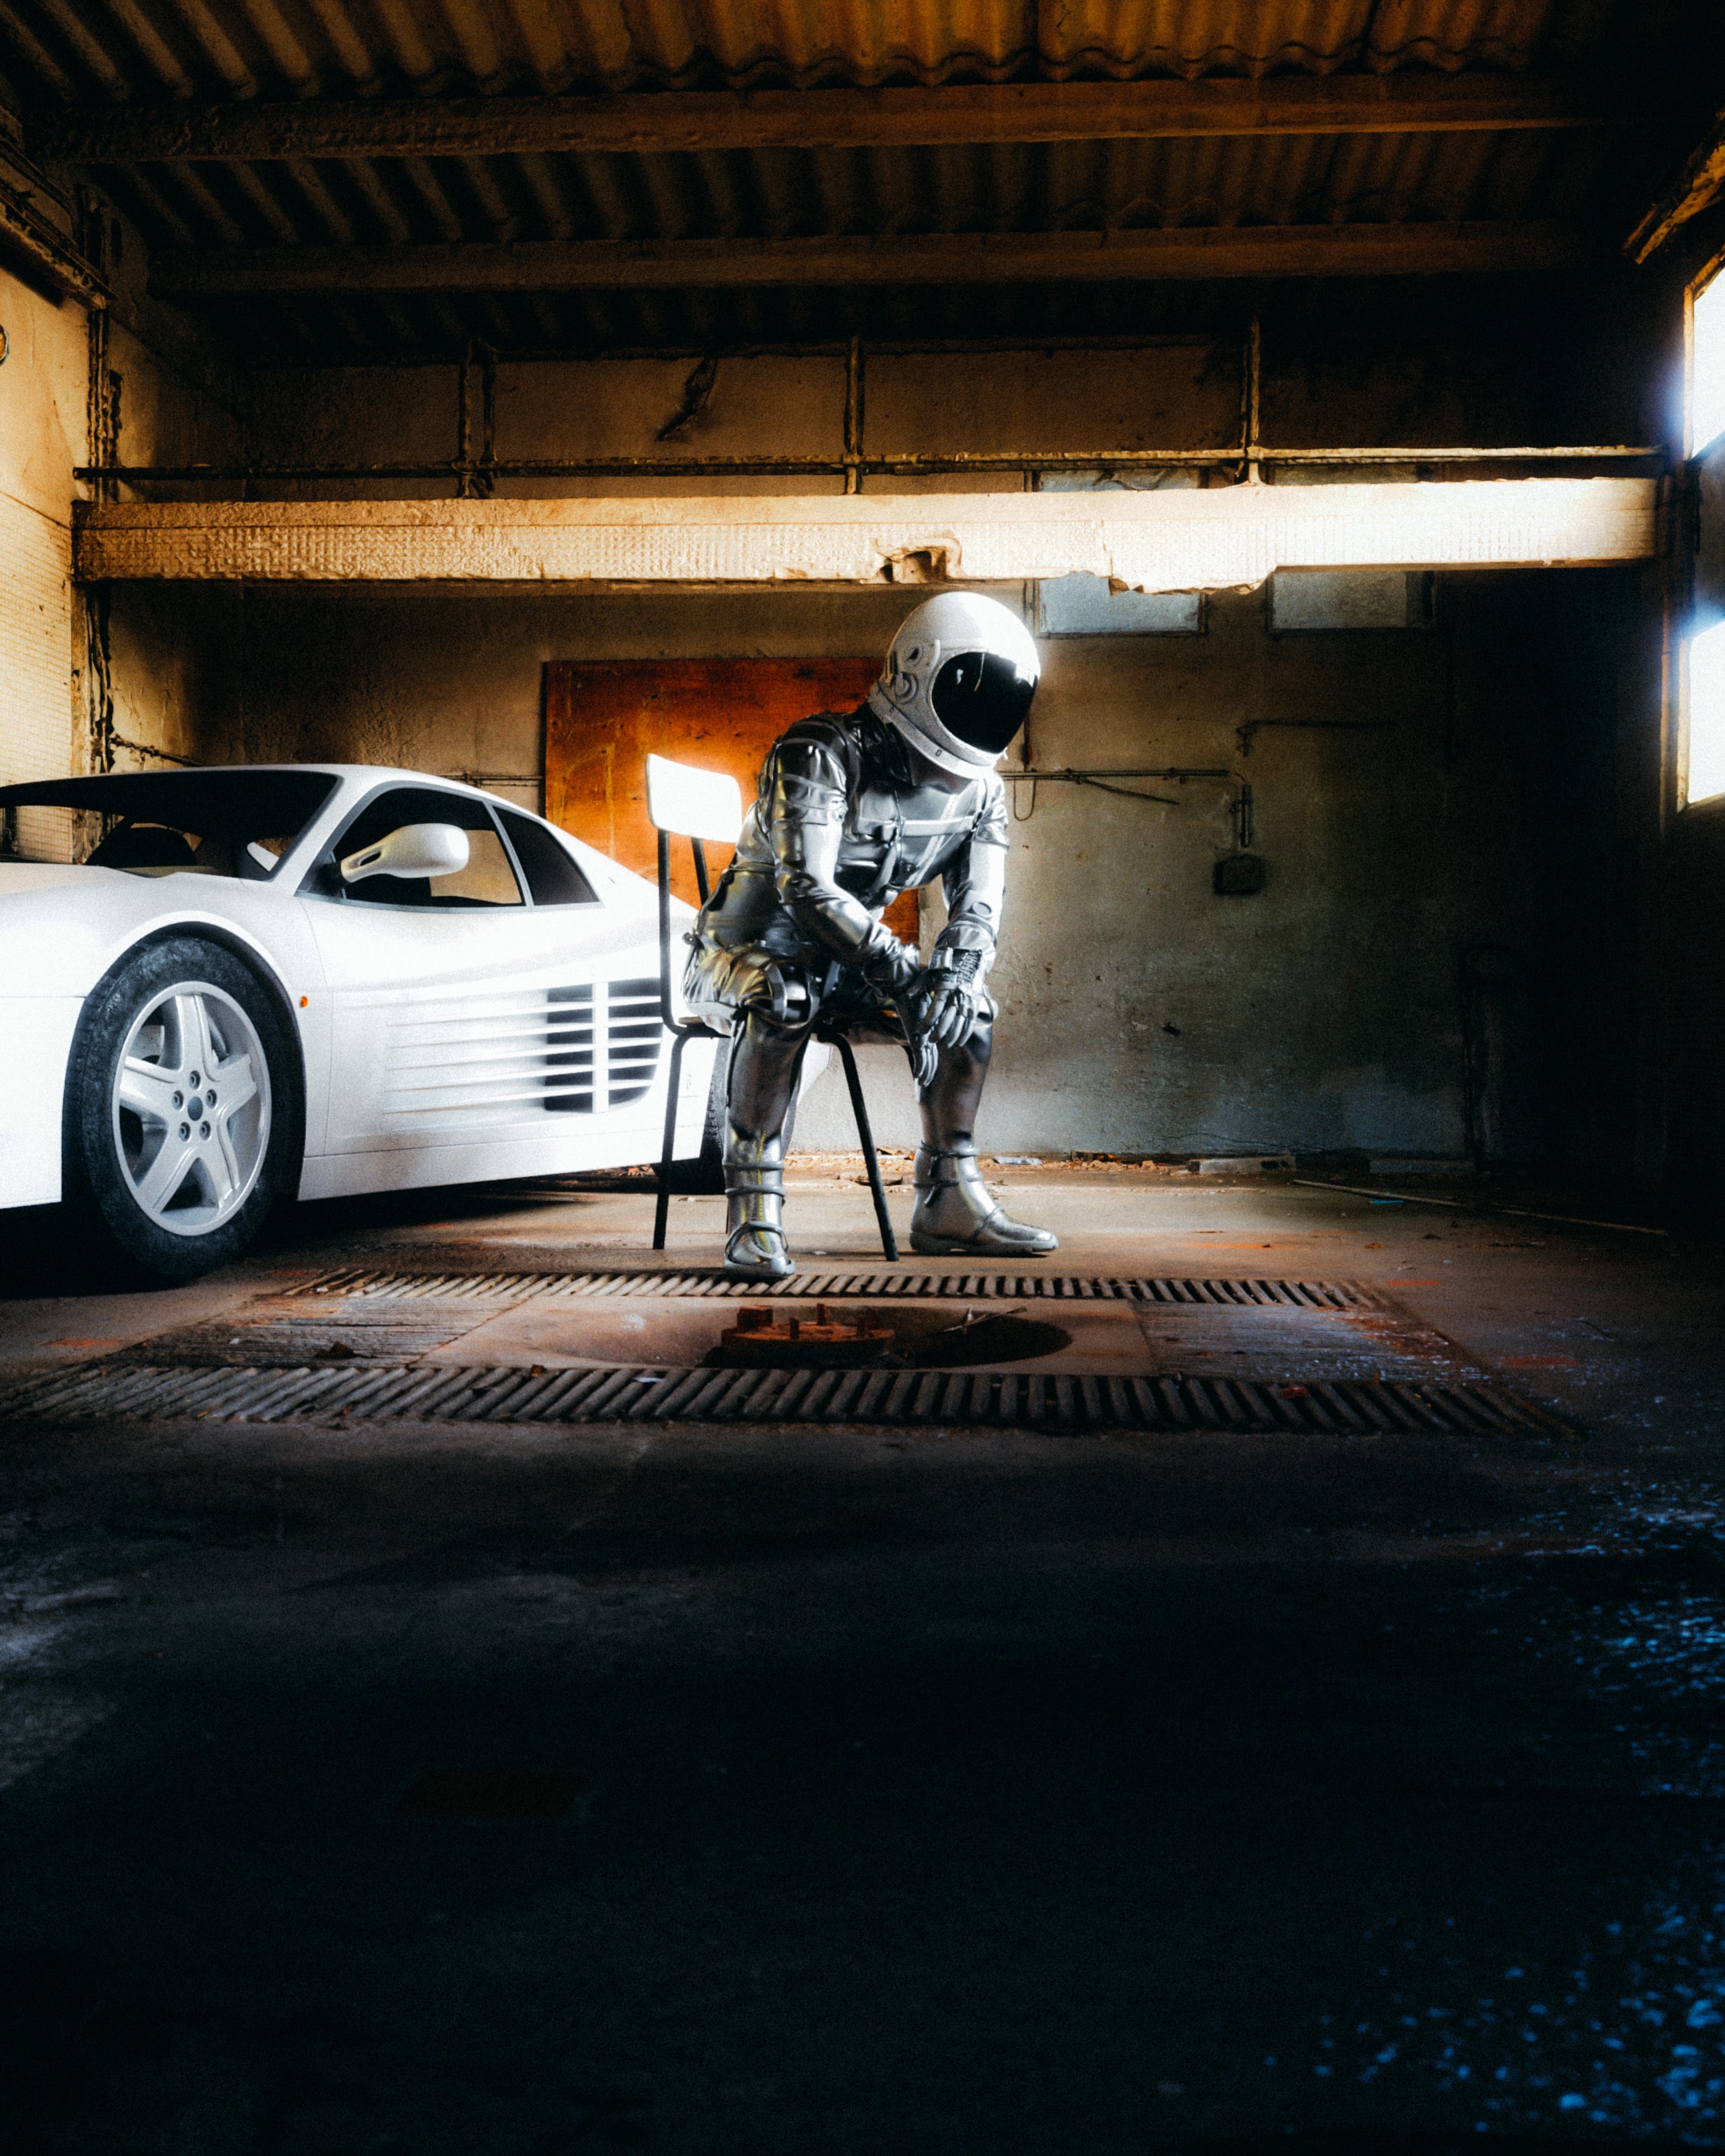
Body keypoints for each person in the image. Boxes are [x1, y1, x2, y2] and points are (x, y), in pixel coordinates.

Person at [684, 592, 1058, 1279]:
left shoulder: (982, 789)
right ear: (915, 670)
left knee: (968, 1013)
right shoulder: (819, 751)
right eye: (969, 688)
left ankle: (950, 1199)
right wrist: (905, 970)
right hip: (738, 954)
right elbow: (807, 889)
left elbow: (979, 903)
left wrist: (954, 977)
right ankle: (753, 1212)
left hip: (849, 967)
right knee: (785, 994)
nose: (986, 710)